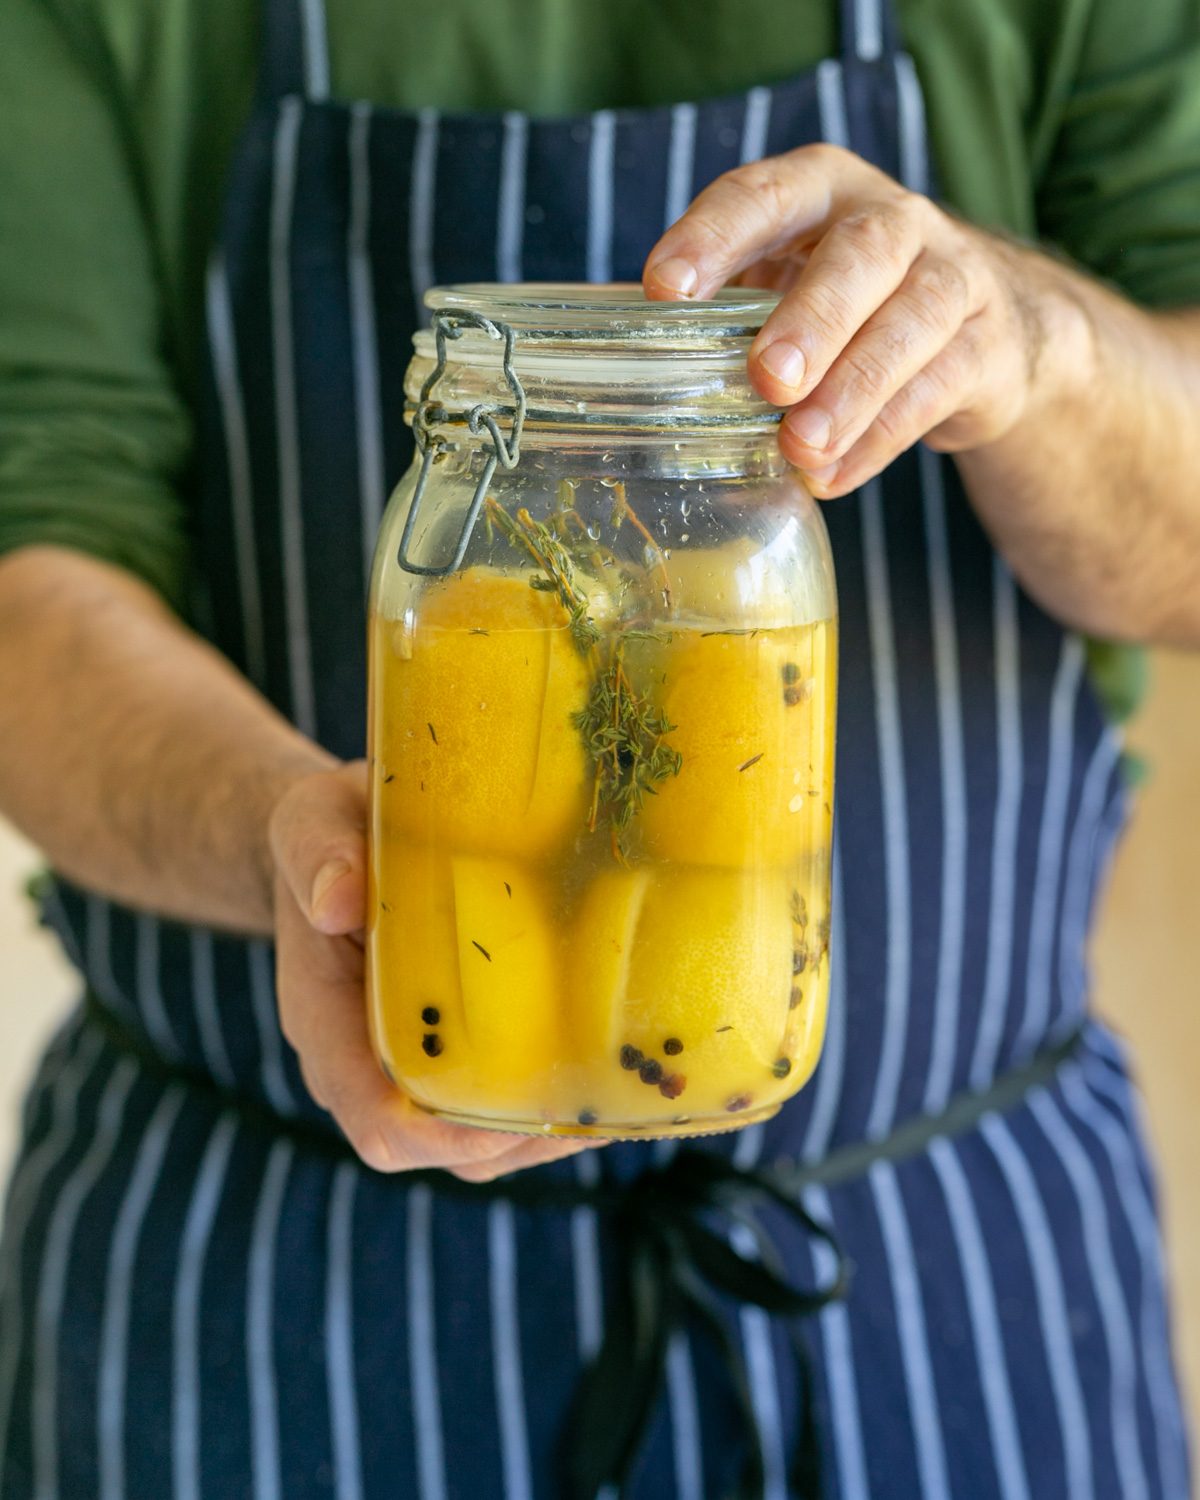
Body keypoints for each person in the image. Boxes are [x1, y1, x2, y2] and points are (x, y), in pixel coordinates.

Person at [1, 0, 1197, 1495]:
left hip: (939, 1267)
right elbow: (28, 570)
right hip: (264, 1288)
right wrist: (291, 842)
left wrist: (1041, 343)